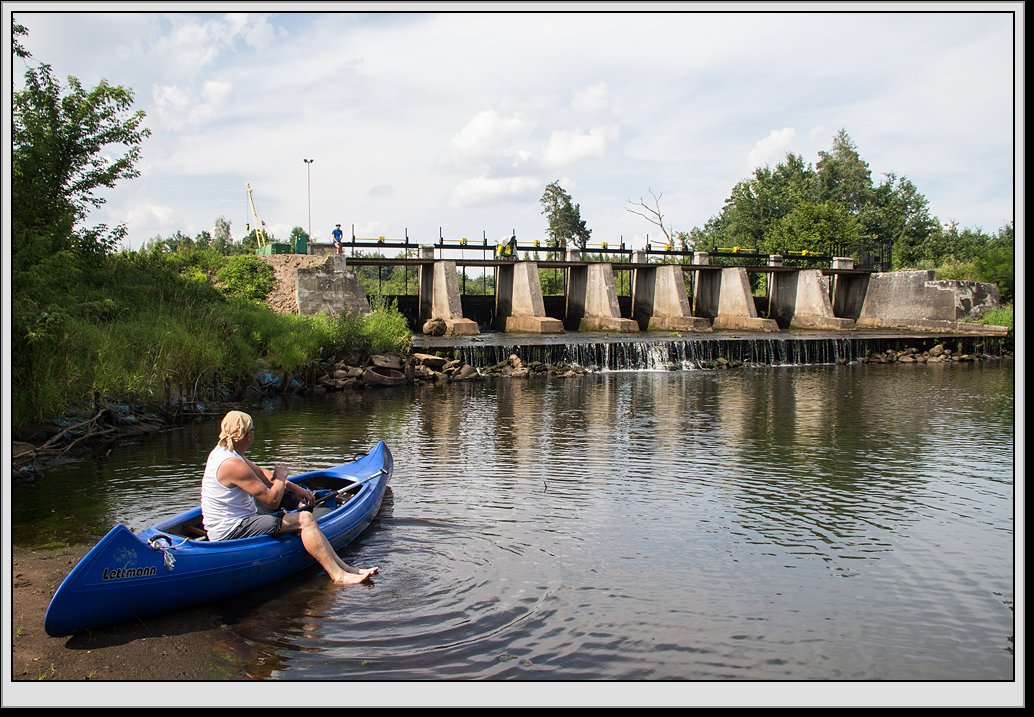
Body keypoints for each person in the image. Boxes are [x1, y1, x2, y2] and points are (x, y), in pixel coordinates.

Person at [201, 410, 378, 585]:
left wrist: (295, 488)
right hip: (231, 529)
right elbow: (272, 501)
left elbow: (262, 474)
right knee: (305, 518)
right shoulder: (232, 464)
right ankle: (338, 576)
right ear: (248, 435)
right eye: (253, 430)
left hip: (235, 522)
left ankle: (348, 569)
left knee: (295, 514)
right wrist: (280, 476)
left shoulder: (226, 453)